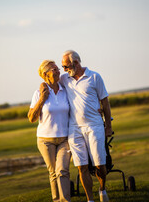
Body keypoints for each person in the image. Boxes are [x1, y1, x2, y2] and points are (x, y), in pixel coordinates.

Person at [60, 50, 113, 202]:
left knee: (99, 164)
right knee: (81, 166)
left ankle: (102, 189)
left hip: (94, 126)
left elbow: (105, 103)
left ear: (76, 63)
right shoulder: (65, 79)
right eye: (62, 67)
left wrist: (108, 126)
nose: (64, 69)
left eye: (66, 66)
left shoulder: (95, 77)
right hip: (74, 129)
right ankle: (90, 200)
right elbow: (51, 80)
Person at [28, 60, 71, 202]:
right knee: (53, 173)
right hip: (45, 140)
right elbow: (31, 118)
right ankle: (56, 200)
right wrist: (42, 99)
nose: (58, 71)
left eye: (58, 68)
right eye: (54, 69)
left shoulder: (65, 88)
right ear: (45, 74)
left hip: (65, 138)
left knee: (63, 170)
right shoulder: (38, 93)